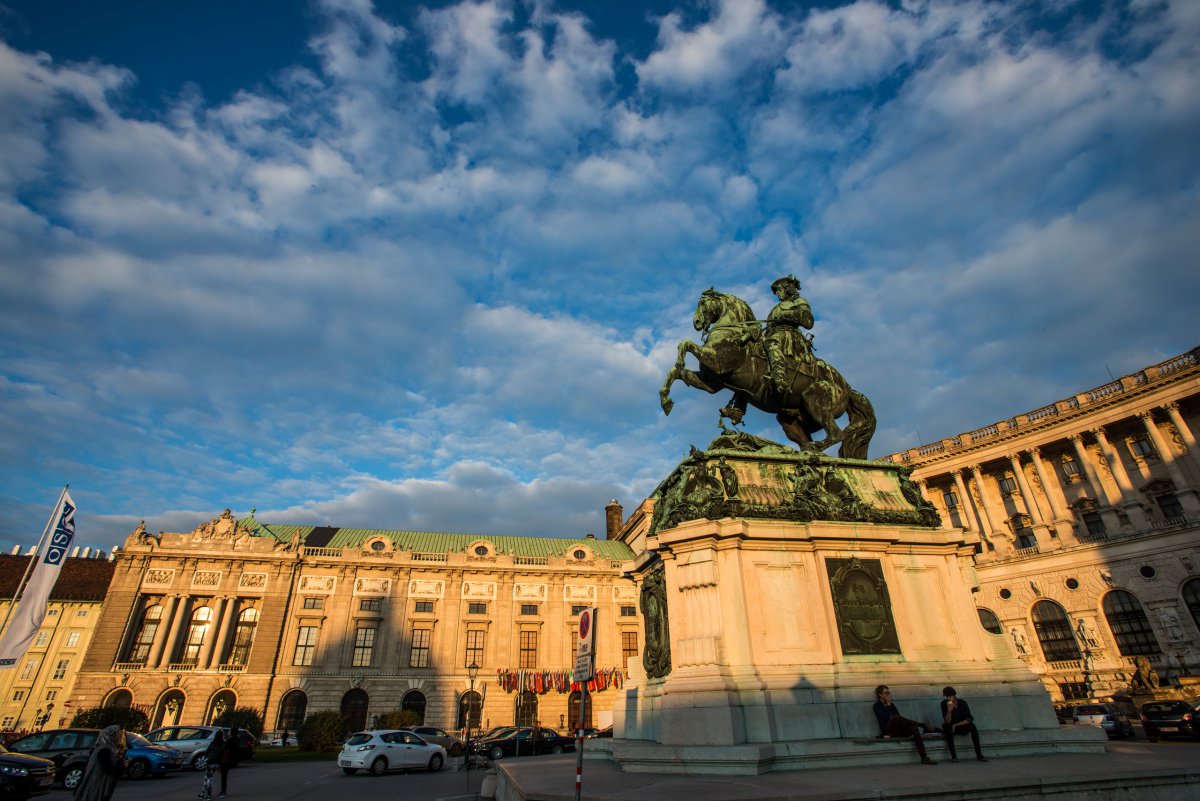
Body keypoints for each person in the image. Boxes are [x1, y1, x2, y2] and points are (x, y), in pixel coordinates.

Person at [764, 275, 814, 394]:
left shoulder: (799, 301)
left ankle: (780, 378)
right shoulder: (775, 308)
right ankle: (739, 405)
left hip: (788, 336)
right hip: (773, 334)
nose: (777, 294)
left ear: (787, 289)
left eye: (779, 290)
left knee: (772, 343)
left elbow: (808, 321)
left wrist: (784, 315)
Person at [873, 685, 938, 765]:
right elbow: (885, 718)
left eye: (888, 693)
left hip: (898, 730)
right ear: (880, 694)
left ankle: (924, 757)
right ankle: (921, 724)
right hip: (888, 732)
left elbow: (900, 718)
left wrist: (890, 706)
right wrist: (888, 705)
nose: (888, 695)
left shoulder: (892, 705)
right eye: (885, 693)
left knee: (913, 728)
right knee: (895, 718)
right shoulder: (877, 706)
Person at [75, 725, 127, 801]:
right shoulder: (104, 749)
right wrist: (122, 766)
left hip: (96, 784)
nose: (120, 736)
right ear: (111, 735)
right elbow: (107, 769)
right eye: (118, 733)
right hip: (96, 785)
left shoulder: (106, 748)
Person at [940, 687, 987, 762]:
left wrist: (955, 725)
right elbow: (947, 721)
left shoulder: (962, 703)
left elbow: (969, 719)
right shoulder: (944, 704)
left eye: (950, 696)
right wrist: (949, 711)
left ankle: (979, 755)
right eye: (946, 697)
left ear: (954, 696)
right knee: (948, 728)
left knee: (972, 726)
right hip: (950, 726)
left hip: (960, 725)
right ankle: (954, 756)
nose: (948, 698)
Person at [218, 727, 241, 797]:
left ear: (231, 732)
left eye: (230, 731)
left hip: (227, 760)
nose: (229, 732)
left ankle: (223, 792)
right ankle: (223, 791)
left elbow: (225, 749)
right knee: (223, 775)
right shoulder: (237, 739)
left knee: (223, 776)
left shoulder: (230, 740)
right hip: (232, 759)